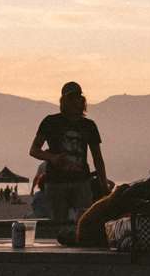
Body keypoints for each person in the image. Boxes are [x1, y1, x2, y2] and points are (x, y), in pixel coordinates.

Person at [29, 81, 108, 225]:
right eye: (71, 98)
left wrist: (104, 186)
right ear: (64, 101)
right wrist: (52, 157)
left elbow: (98, 158)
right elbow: (34, 150)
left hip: (82, 182)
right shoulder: (51, 122)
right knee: (58, 226)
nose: (75, 101)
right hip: (56, 183)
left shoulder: (88, 126)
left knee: (85, 224)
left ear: (82, 100)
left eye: (78, 97)